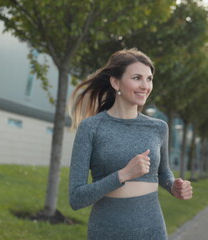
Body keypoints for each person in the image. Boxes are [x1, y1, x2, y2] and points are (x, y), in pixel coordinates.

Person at [68, 48, 193, 240]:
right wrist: (123, 174)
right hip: (107, 231)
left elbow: (162, 172)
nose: (145, 86)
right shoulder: (91, 127)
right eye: (137, 78)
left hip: (153, 230)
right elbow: (76, 198)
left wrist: (172, 186)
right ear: (115, 82)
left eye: (149, 79)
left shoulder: (158, 127)